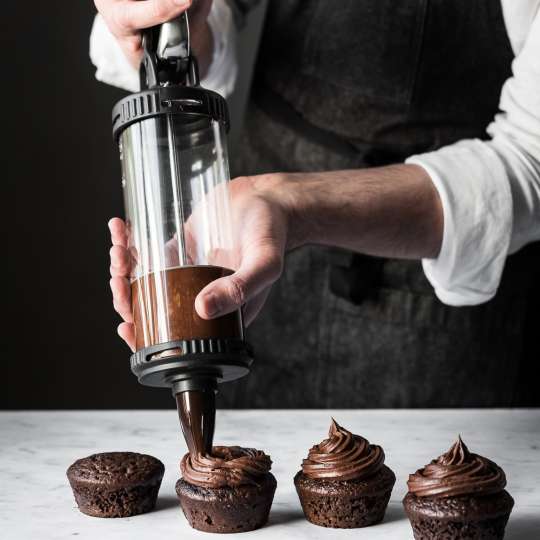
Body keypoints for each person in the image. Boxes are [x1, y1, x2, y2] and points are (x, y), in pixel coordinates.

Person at [91, 0, 540, 407]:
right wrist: (167, 28)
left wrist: (289, 203)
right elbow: (211, 15)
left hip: (443, 295)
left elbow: (531, 158)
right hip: (244, 249)